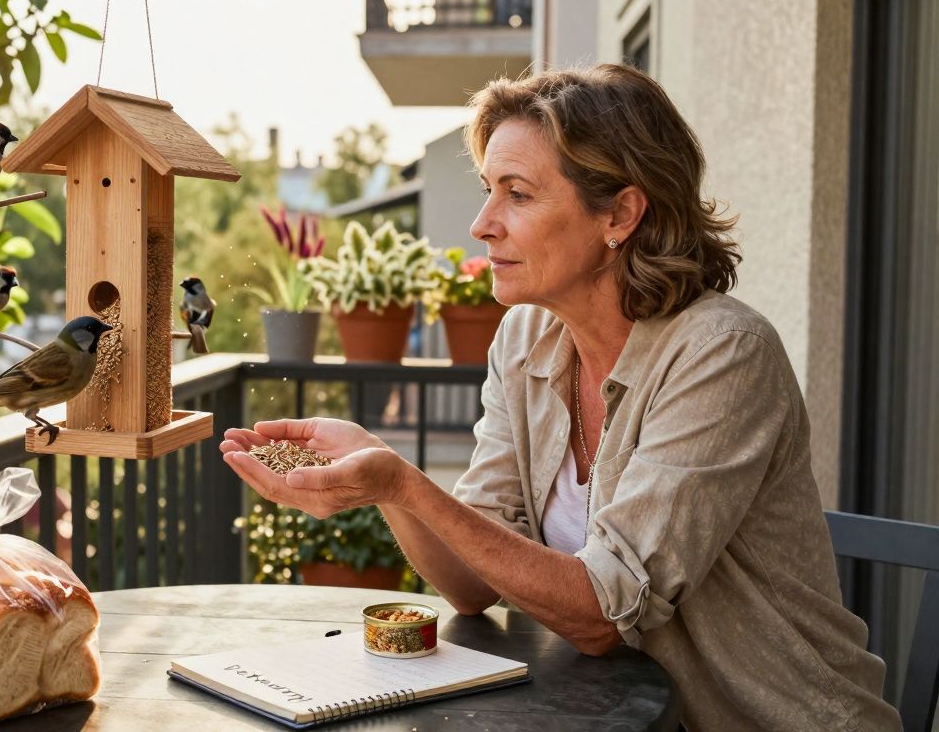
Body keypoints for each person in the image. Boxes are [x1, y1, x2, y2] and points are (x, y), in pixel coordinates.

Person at [221, 65, 901, 731]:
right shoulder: (527, 337)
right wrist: (383, 476)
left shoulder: (722, 354)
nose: (484, 224)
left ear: (621, 214)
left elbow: (601, 615)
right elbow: (470, 584)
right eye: (488, 189)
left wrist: (407, 485)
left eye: (517, 193)